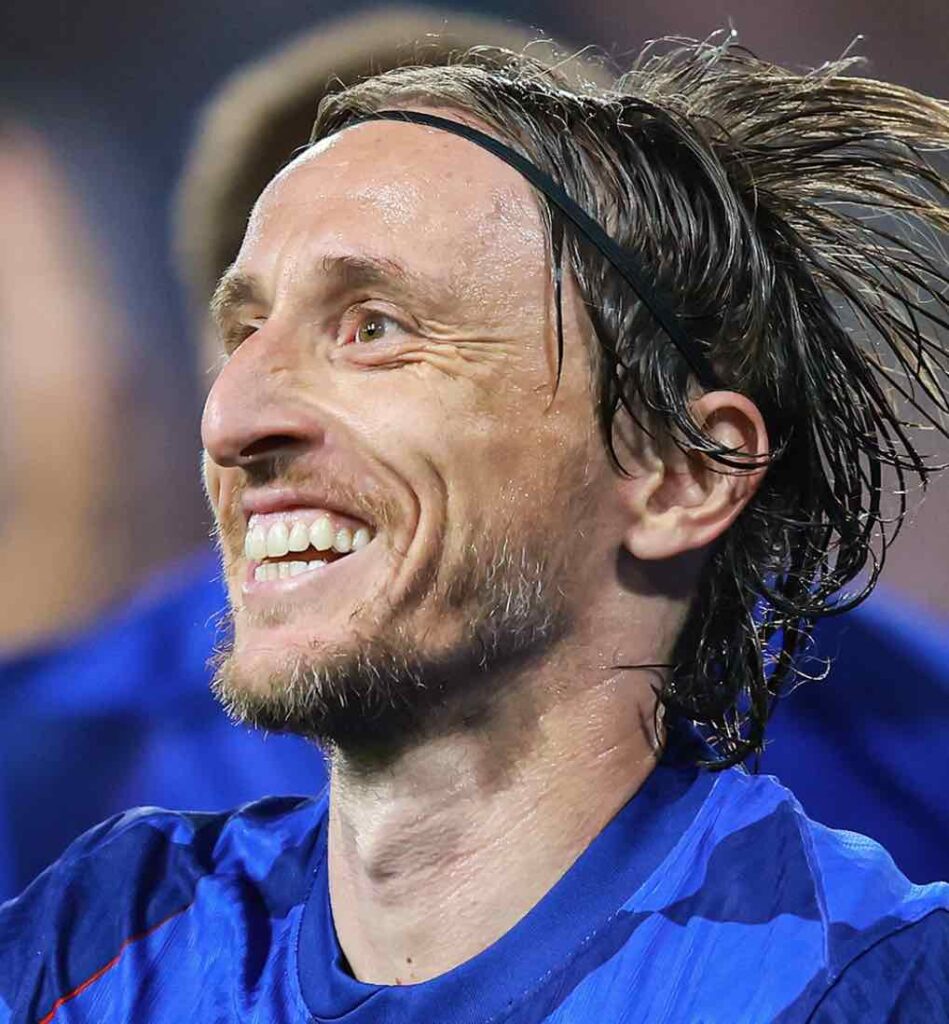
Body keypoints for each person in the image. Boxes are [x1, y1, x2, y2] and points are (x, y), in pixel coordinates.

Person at [4, 37, 949, 1021]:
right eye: (246, 333)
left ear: (680, 475)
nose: (229, 421)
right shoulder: (101, 939)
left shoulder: (851, 988)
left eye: (374, 327)